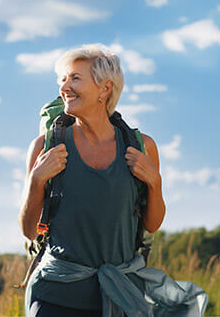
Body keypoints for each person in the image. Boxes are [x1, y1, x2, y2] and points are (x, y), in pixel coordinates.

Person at [19, 44, 174, 316]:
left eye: (75, 78)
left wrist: (155, 183)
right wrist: (36, 181)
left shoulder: (142, 147)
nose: (64, 87)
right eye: (62, 79)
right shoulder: (45, 147)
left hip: (123, 297)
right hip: (56, 297)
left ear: (105, 88)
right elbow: (28, 229)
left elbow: (152, 223)